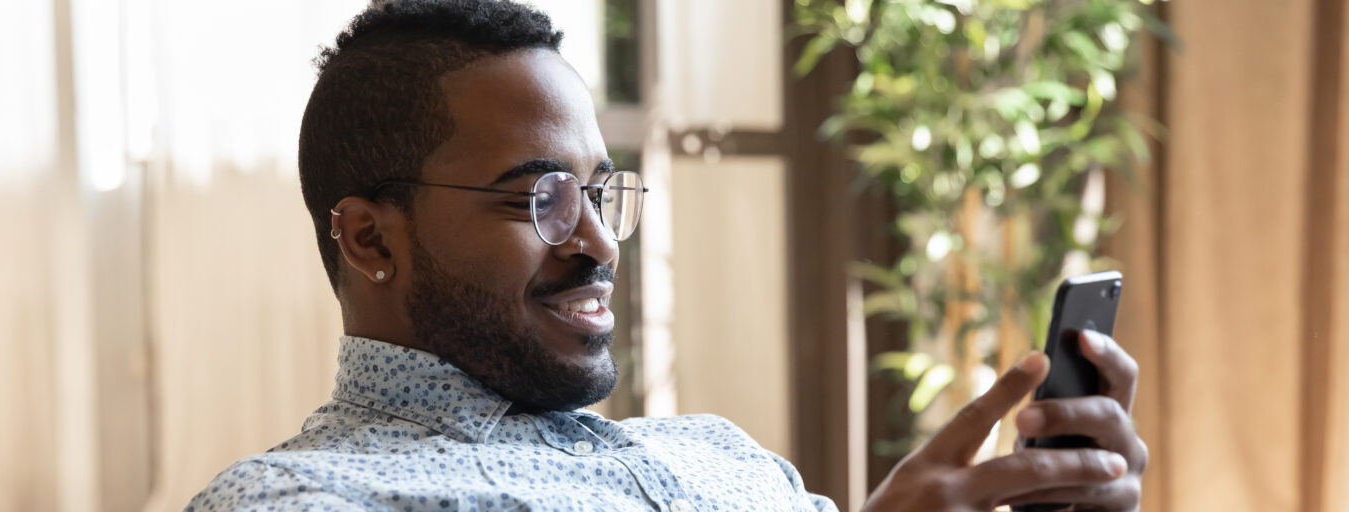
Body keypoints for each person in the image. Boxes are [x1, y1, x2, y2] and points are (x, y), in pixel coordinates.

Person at [186, 1, 1147, 510]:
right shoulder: (294, 500)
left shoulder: (721, 457)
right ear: (368, 238)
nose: (600, 241)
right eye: (541, 198)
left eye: (599, 190)